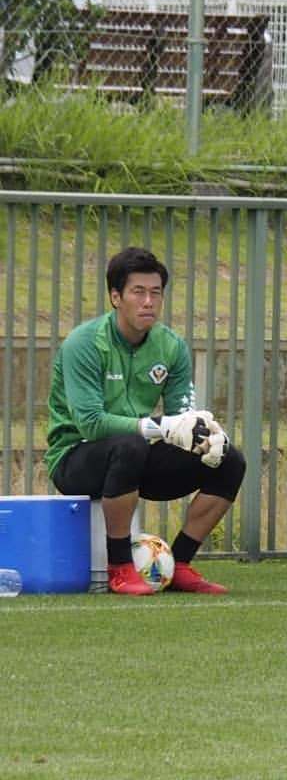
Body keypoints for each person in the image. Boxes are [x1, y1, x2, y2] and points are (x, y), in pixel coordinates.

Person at [46, 247, 246, 596]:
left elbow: (183, 414)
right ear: (115, 297)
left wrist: (205, 434)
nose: (148, 301)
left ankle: (180, 563)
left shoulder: (172, 347)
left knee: (230, 460)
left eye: (156, 293)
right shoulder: (84, 343)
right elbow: (91, 423)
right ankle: (120, 567)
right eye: (138, 292)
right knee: (130, 445)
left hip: (135, 456)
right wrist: (160, 426)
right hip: (75, 459)